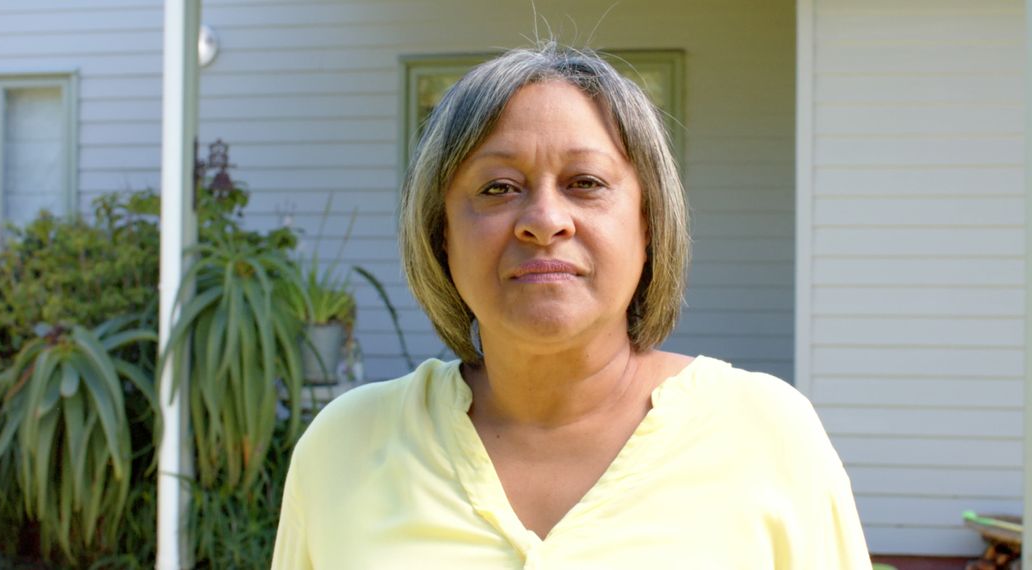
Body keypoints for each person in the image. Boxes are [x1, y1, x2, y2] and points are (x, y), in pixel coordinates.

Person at [272, 43, 870, 569]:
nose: (545, 221)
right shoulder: (343, 449)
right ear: (440, 235)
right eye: (497, 188)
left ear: (649, 224)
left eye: (585, 182)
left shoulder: (768, 436)